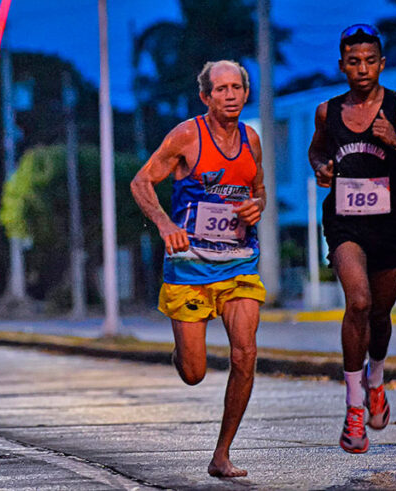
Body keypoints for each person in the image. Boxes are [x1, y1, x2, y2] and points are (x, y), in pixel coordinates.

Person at [130, 60, 267, 479]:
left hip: (239, 262)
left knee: (245, 354)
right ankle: (181, 351)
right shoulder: (188, 135)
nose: (230, 95)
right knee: (194, 372)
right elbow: (141, 181)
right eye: (220, 89)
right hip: (190, 267)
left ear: (246, 93)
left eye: (236, 87)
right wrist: (165, 224)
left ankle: (222, 454)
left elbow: (258, 191)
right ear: (205, 96)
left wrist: (255, 206)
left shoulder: (252, 139)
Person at [307, 24, 396, 454]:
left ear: (382, 64)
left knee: (380, 315)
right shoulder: (327, 112)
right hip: (345, 224)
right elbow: (317, 150)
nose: (361, 69)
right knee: (358, 302)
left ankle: (376, 381)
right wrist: (322, 167)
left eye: (369, 61)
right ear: (341, 65)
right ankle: (353, 409)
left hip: (388, 225)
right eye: (353, 61)